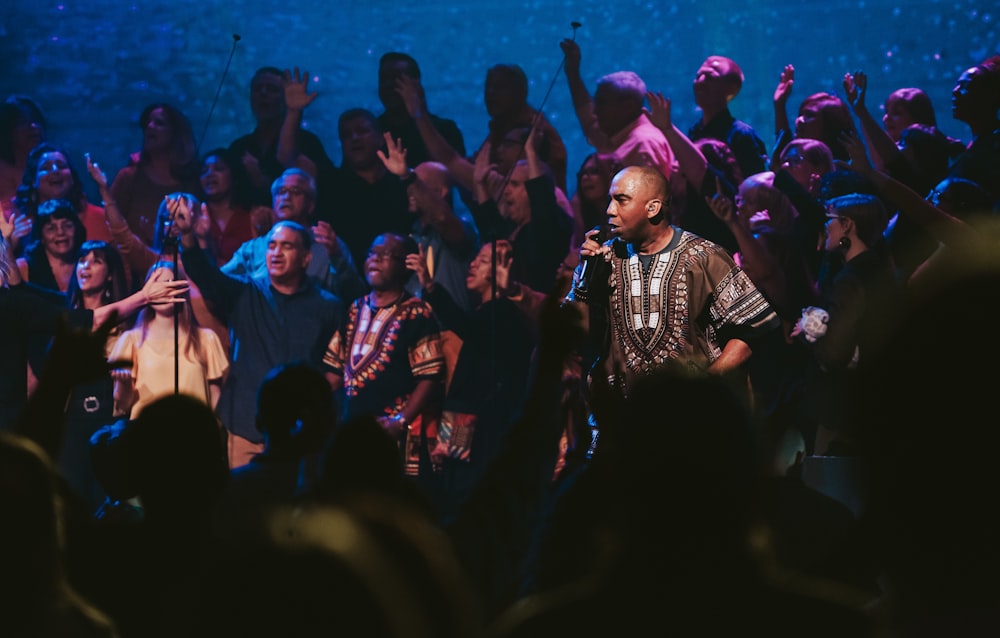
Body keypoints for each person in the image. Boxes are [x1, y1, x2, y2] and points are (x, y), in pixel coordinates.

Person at [567, 165, 780, 401]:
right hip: (623, 420)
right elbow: (573, 337)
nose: (609, 210)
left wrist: (706, 383)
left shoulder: (704, 257)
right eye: (610, 200)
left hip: (691, 419)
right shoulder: (601, 260)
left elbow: (753, 329)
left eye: (621, 200)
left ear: (652, 208)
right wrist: (585, 280)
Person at [171, 198, 344, 469]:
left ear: (306, 258)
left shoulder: (327, 307)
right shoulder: (245, 292)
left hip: (299, 433)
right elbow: (206, 276)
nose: (276, 253)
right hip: (245, 427)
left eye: (286, 246)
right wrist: (188, 236)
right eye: (272, 245)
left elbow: (334, 372)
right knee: (245, 507)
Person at [411, 239, 537, 521]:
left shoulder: (504, 315)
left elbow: (468, 329)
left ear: (503, 269)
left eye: (481, 261)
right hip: (465, 422)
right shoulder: (485, 314)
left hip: (485, 429)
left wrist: (431, 287)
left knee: (467, 503)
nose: (471, 266)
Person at [323, 233, 446, 483]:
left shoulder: (417, 313)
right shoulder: (355, 309)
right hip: (354, 430)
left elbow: (429, 376)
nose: (375, 259)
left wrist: (400, 421)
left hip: (395, 435)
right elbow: (336, 372)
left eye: (386, 254)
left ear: (404, 267)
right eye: (371, 253)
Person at [790, 193, 902, 455]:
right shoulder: (879, 269)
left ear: (847, 224)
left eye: (829, 219)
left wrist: (805, 333)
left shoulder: (850, 280)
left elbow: (833, 355)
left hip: (839, 407)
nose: (825, 226)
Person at [222, 167, 366, 303]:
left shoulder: (328, 243)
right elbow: (221, 283)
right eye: (281, 191)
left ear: (311, 205)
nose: (286, 196)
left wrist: (336, 257)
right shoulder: (253, 248)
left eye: (296, 192)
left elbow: (354, 296)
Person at [108, 261, 229, 421]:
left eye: (169, 284)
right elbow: (123, 406)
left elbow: (214, 397)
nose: (163, 290)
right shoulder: (131, 341)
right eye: (156, 284)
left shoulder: (205, 339)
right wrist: (123, 385)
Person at [469, 127, 573, 294]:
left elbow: (543, 207)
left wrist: (530, 152)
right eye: (508, 183)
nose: (506, 190)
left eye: (515, 184)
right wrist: (480, 183)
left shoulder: (550, 227)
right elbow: (490, 229)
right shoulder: (512, 228)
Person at [559, 38, 677, 183]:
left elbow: (650, 200)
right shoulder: (618, 134)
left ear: (628, 106)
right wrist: (573, 74)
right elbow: (589, 121)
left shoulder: (644, 145)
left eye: (602, 103)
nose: (595, 111)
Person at [228, 66, 337, 210]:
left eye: (272, 89)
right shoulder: (239, 148)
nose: (263, 93)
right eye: (257, 89)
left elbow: (323, 192)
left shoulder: (307, 142)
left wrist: (264, 182)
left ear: (286, 97)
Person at [322, 108, 414, 269]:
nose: (354, 138)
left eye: (362, 131)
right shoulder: (331, 187)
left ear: (380, 138)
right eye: (346, 135)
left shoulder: (401, 182)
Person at [108, 102, 201, 247]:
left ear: (175, 133)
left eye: (159, 123)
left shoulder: (193, 180)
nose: (150, 127)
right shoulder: (129, 177)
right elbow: (110, 224)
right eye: (147, 123)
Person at [9, 142, 112, 256]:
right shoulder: (15, 222)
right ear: (33, 181)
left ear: (72, 177)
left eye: (61, 166)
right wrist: (9, 247)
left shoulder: (99, 218)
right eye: (45, 168)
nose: (55, 171)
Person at [482, 63, 569, 192]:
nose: (491, 93)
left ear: (521, 92)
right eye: (488, 87)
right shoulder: (500, 126)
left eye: (499, 87)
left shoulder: (537, 131)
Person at [376, 52, 466, 169]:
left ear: (416, 84)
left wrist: (420, 113)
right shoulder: (372, 133)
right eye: (383, 79)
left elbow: (455, 174)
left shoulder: (445, 130)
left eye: (397, 79)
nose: (388, 85)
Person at [688, 55, 769, 179]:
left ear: (731, 89)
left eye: (710, 77)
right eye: (698, 76)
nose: (700, 81)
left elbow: (756, 188)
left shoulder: (742, 136)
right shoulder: (694, 132)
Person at [198, 147, 255, 266]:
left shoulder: (253, 217)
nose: (210, 175)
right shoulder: (193, 217)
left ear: (234, 176)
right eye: (204, 171)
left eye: (218, 169)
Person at [16, 198, 87, 293]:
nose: (61, 232)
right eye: (51, 228)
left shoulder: (87, 263)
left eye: (67, 225)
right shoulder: (24, 268)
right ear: (41, 236)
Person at [0, 95, 46, 206]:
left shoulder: (52, 167)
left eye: (36, 121)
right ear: (8, 129)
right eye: (24, 122)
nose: (34, 126)